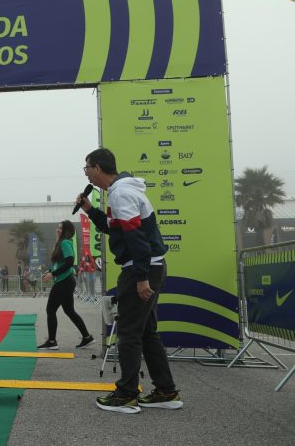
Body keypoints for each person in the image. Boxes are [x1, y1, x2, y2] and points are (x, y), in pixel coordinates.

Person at [78, 147, 182, 413]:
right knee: (146, 332)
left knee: (128, 332)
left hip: (140, 267)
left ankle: (125, 395)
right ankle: (166, 391)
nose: (86, 173)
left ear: (98, 168)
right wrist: (90, 209)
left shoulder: (122, 193)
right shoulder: (121, 191)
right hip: (148, 266)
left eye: (87, 167)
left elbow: (136, 238)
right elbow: (115, 230)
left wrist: (141, 277)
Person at [37, 220, 94, 351]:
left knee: (50, 310)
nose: (58, 230)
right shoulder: (60, 243)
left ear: (66, 231)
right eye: (57, 227)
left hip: (65, 282)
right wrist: (50, 271)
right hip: (65, 281)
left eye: (61, 228)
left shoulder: (65, 243)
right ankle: (87, 337)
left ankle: (52, 341)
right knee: (69, 310)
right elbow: (60, 263)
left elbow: (69, 262)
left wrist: (53, 274)